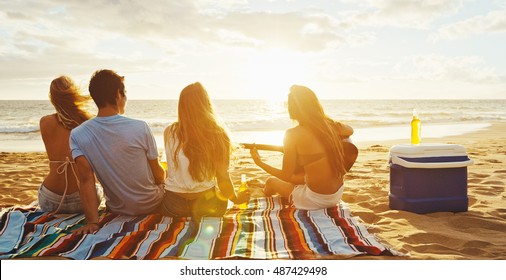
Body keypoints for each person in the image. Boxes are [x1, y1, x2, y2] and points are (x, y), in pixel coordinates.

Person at [70, 69, 165, 234]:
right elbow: (157, 173)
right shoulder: (140, 127)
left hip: (118, 208)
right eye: (125, 92)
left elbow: (86, 181)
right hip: (150, 204)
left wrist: (93, 222)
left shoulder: (78, 134)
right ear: (118, 94)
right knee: (165, 167)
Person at [249, 85, 354, 210]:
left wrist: (259, 163)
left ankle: (264, 195)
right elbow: (350, 130)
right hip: (335, 196)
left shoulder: (292, 134)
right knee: (299, 178)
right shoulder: (330, 126)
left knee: (271, 182)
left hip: (314, 200)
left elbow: (285, 175)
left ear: (294, 107)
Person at [158, 82, 250, 219]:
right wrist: (236, 199)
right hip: (207, 206)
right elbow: (223, 177)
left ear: (181, 107)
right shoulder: (218, 134)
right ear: (206, 104)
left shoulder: (169, 132)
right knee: (219, 198)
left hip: (173, 207)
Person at [39, 76, 101, 214]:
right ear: (75, 94)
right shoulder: (88, 122)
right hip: (84, 200)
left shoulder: (45, 122)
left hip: (51, 200)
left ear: (52, 98)